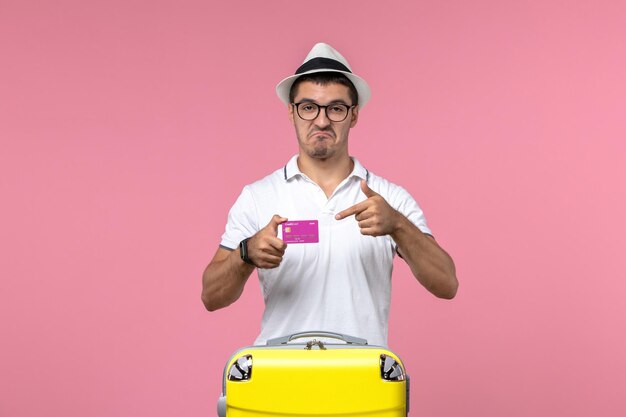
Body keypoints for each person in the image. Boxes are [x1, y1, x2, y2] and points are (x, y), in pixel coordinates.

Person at [202, 43, 458, 346]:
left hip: (362, 380)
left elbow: (447, 284)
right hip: (281, 379)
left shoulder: (389, 198)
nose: (321, 121)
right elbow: (211, 296)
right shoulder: (258, 197)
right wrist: (245, 254)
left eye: (335, 108)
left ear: (353, 115)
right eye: (309, 107)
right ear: (291, 112)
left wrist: (398, 226)